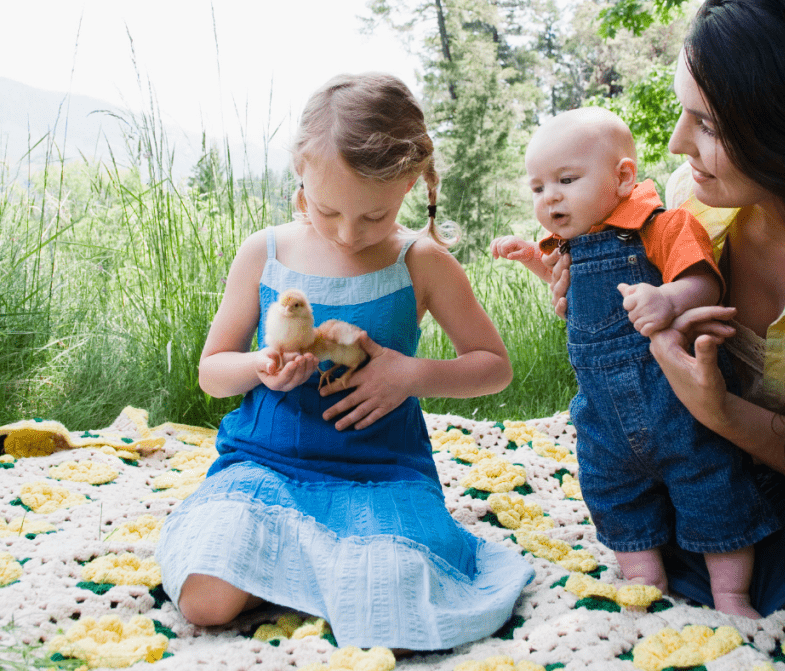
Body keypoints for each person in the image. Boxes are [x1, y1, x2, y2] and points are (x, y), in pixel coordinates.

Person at [154, 72, 534, 650]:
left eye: (374, 216)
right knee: (205, 598)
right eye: (328, 210)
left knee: (398, 608)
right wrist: (261, 365)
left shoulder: (420, 261)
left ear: (410, 184)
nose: (348, 233)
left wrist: (411, 374)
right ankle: (313, 572)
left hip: (382, 473)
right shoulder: (267, 252)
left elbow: (493, 365)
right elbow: (212, 371)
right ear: (300, 170)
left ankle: (317, 572)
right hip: (265, 467)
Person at [529, 0, 785, 617]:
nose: (677, 142)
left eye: (707, 124)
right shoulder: (690, 206)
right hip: (674, 459)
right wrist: (586, 300)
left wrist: (718, 409)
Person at [490, 106, 780, 619]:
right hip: (604, 424)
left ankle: (733, 596)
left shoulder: (663, 225)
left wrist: (669, 299)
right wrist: (536, 263)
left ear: (623, 177)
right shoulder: (569, 248)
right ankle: (647, 587)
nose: (549, 197)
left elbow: (704, 280)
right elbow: (574, 302)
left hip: (679, 410)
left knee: (715, 488)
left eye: (566, 179)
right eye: (537, 188)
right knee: (613, 499)